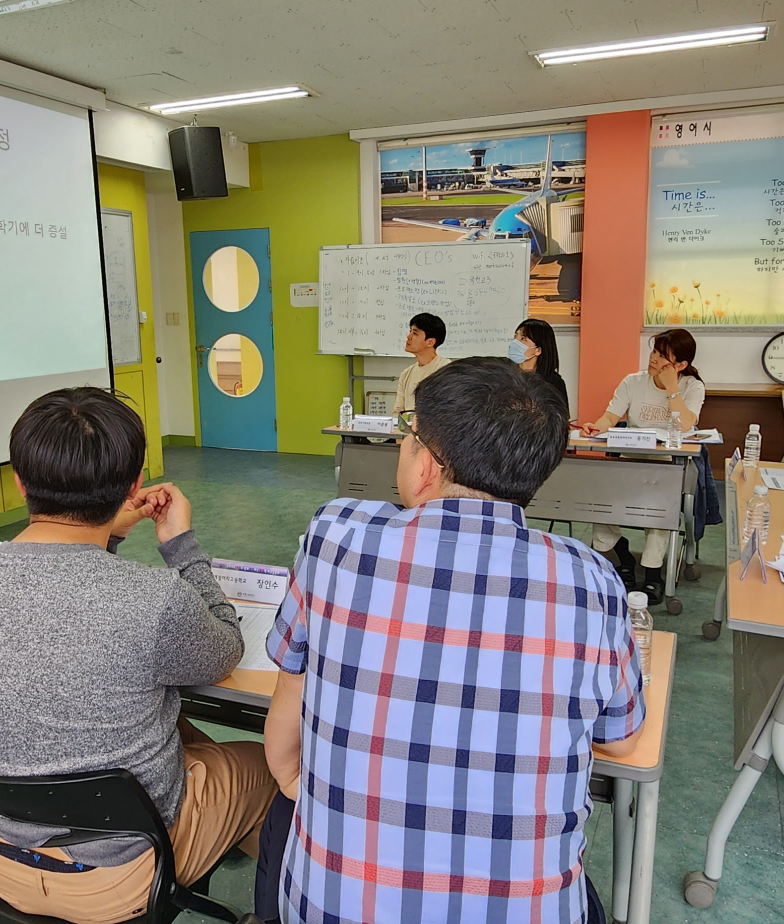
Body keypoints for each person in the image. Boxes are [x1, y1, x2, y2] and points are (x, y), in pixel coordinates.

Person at [259, 357, 645, 924]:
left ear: (427, 469)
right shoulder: (592, 581)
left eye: (408, 437)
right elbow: (623, 740)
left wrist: (302, 788)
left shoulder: (337, 536)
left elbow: (285, 739)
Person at [0, 387, 274, 924]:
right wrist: (180, 544)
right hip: (119, 878)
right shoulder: (154, 600)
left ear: (19, 480)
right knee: (272, 765)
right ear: (134, 484)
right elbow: (223, 649)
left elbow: (70, 601)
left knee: (177, 731)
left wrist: (106, 536)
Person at [579, 328, 705, 601]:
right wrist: (595, 428)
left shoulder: (692, 387)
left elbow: (685, 424)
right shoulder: (633, 382)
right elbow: (611, 416)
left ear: (680, 365)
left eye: (663, 357)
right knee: (601, 500)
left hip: (668, 463)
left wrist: (672, 387)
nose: (653, 359)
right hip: (631, 458)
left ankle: (652, 572)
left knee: (662, 508)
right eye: (654, 352)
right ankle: (622, 554)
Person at [392, 312, 449, 414]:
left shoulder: (445, 370)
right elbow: (397, 412)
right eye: (410, 331)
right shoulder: (406, 374)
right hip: (408, 428)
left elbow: (447, 411)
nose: (408, 337)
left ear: (430, 342)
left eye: (415, 333)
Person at [510, 316, 569, 404]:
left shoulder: (553, 383)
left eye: (523, 339)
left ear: (538, 350)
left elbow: (560, 415)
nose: (515, 342)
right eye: (515, 337)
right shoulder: (506, 375)